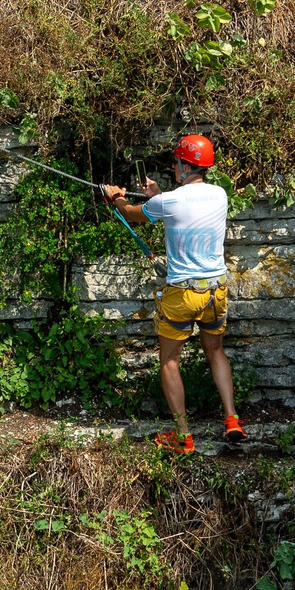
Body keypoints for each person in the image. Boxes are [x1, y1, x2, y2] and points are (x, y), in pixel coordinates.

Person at [104, 133, 242, 455]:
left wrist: (116, 196)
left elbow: (133, 212)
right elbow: (185, 206)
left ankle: (183, 437)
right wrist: (160, 195)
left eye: (176, 162)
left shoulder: (166, 202)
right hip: (215, 291)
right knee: (216, 351)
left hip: (182, 294)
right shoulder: (220, 195)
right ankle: (233, 420)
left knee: (169, 361)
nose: (173, 166)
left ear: (183, 166)